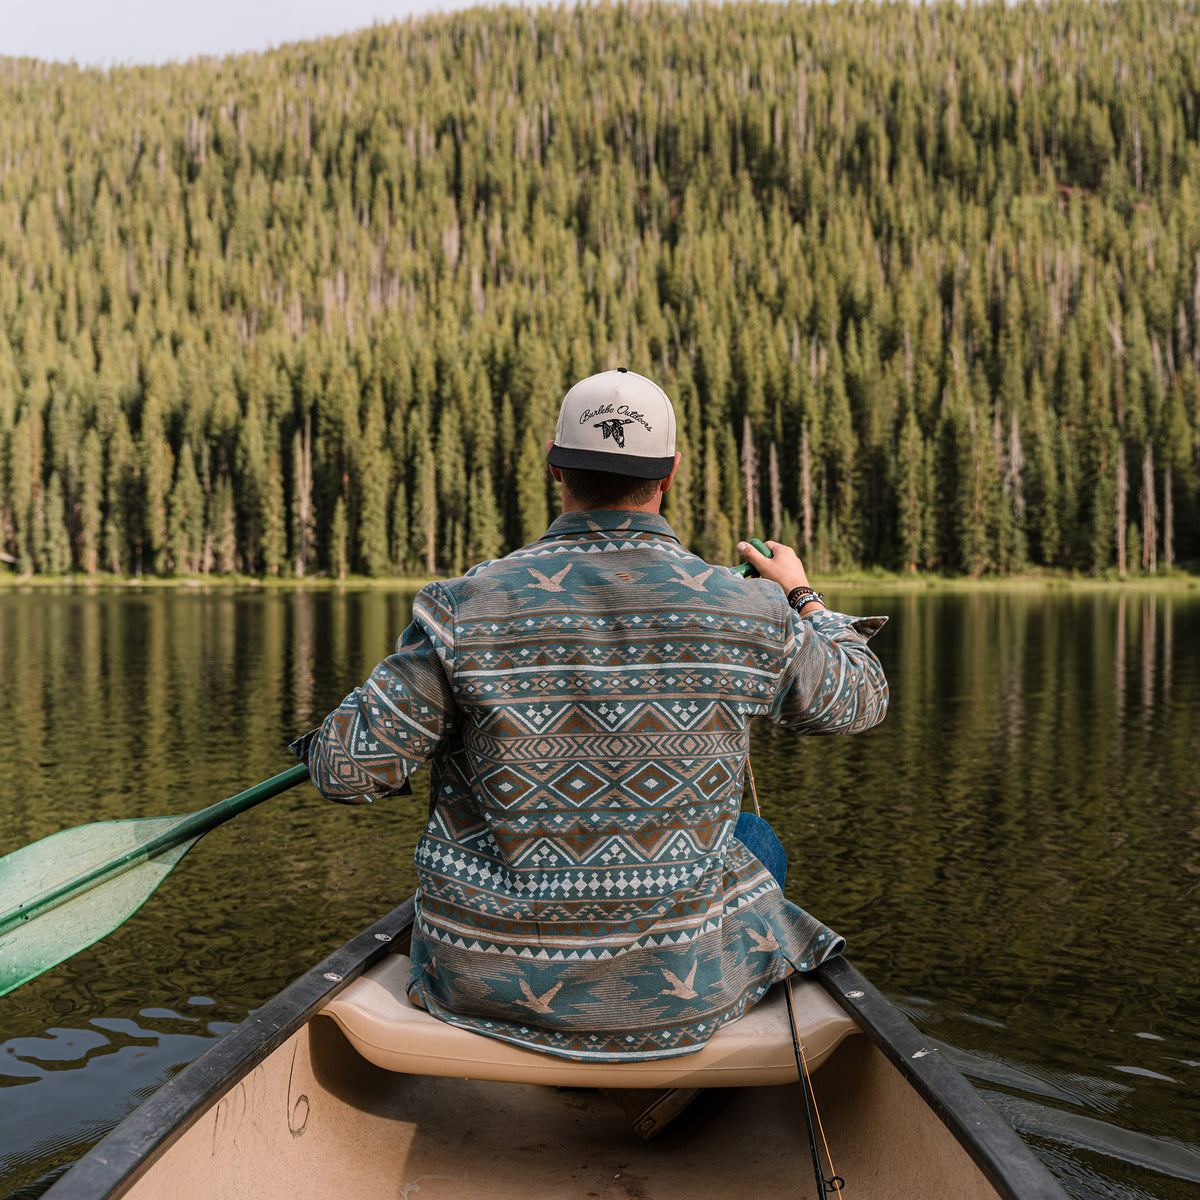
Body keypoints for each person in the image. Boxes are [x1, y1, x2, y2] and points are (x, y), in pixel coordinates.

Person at [295, 368, 888, 1062]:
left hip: (480, 984)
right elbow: (860, 700)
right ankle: (669, 1065)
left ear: (556, 467)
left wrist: (327, 741)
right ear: (668, 474)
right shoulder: (748, 608)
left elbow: (346, 769)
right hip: (679, 996)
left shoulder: (462, 605)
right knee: (754, 839)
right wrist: (802, 596)